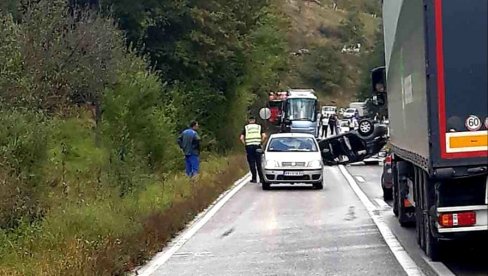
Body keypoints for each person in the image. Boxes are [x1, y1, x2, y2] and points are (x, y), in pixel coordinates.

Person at [240, 116, 266, 183]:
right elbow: (264, 136)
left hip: (249, 147)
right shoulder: (259, 127)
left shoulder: (246, 128)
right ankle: (261, 179)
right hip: (257, 146)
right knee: (259, 163)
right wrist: (260, 142)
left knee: (252, 162)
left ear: (249, 120)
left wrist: (245, 144)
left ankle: (254, 178)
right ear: (254, 120)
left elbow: (241, 138)